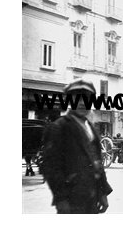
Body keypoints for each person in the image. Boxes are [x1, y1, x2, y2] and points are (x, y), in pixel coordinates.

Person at [42, 79, 113, 214]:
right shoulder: (59, 127)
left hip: (92, 198)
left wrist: (103, 193)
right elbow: (51, 167)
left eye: (86, 99)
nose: (81, 103)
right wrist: (61, 199)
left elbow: (97, 163)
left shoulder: (91, 128)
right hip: (71, 199)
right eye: (76, 98)